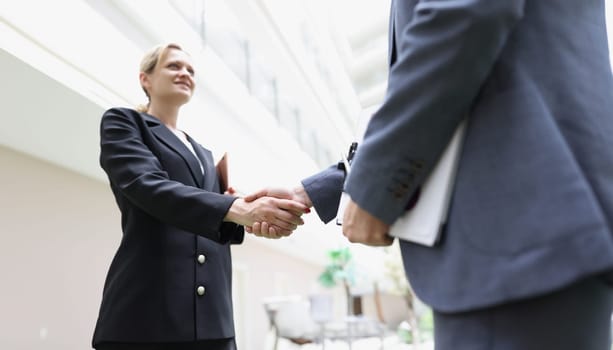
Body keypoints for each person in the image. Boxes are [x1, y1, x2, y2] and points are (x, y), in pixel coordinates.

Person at [247, 1, 613, 349]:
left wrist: (377, 187)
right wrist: (317, 191)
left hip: (518, 239)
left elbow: (466, 14)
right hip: (534, 226)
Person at [92, 43, 308, 350]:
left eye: (191, 70)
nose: (185, 73)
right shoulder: (124, 122)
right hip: (147, 316)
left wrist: (251, 216)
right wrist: (236, 208)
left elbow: (216, 222)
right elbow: (146, 185)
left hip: (213, 320)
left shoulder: (205, 153)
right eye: (174, 66)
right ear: (146, 79)